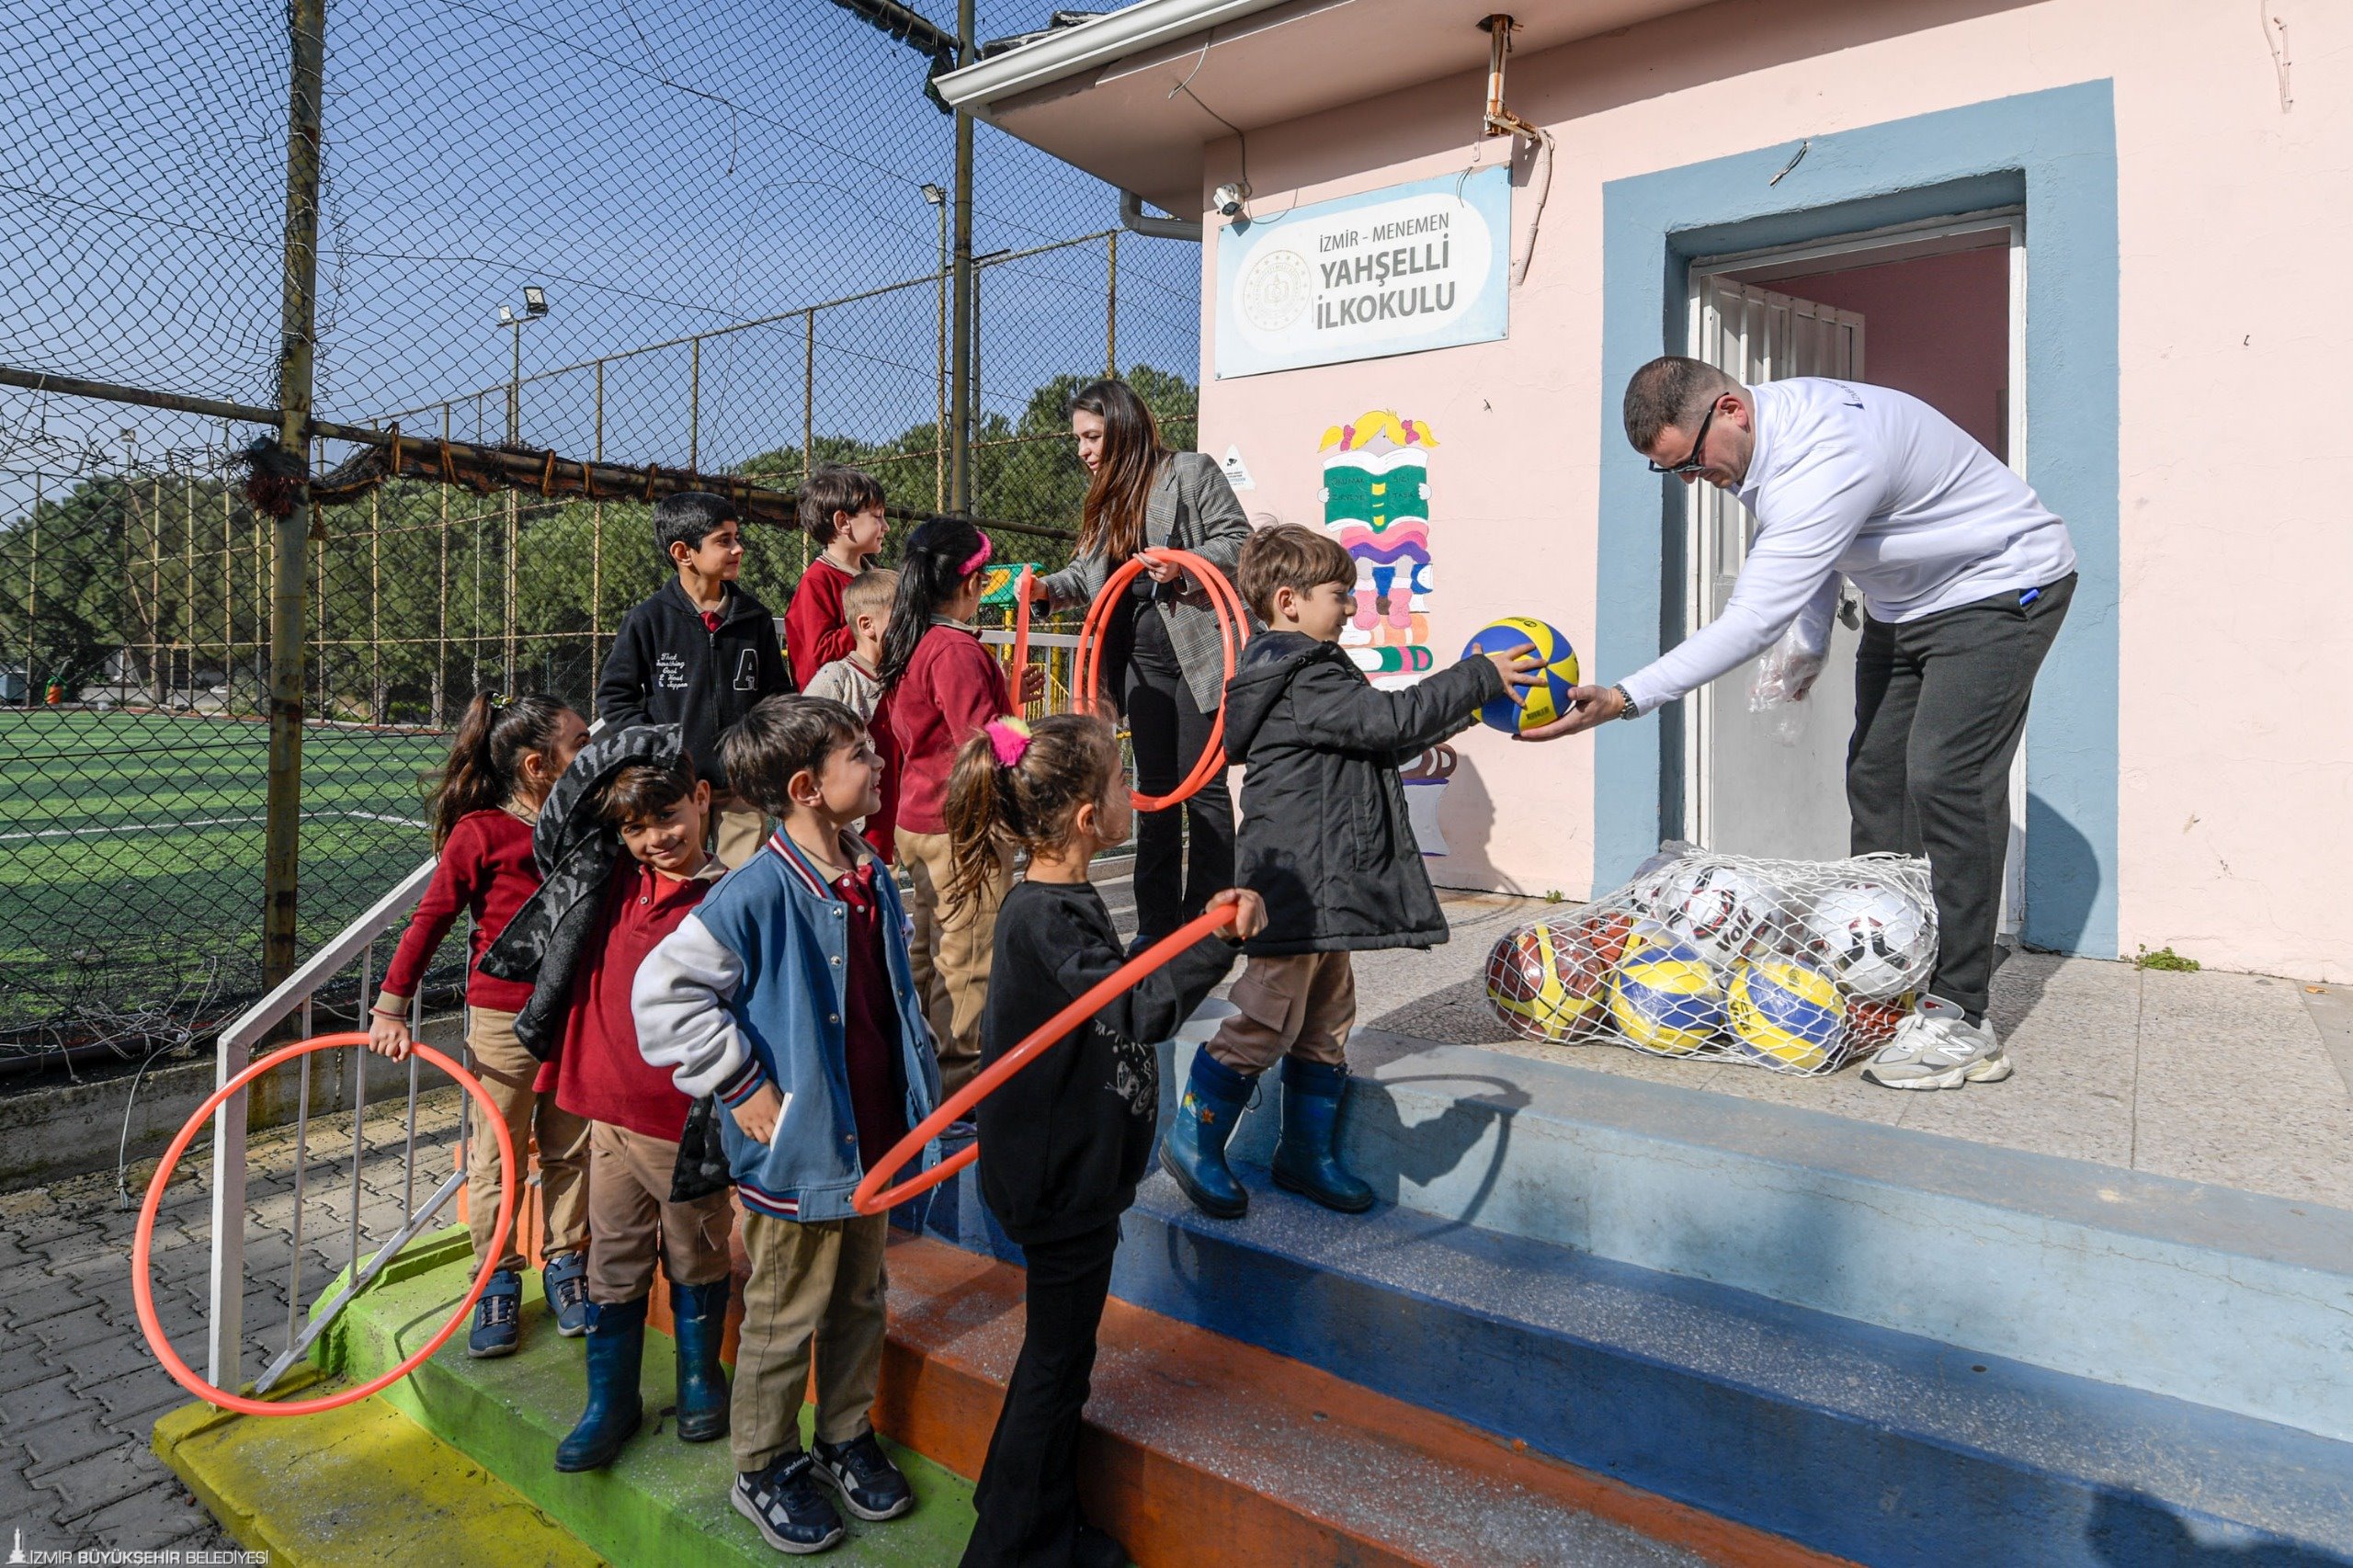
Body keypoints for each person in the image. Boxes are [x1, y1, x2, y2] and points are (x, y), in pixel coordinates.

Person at [1531, 357, 2077, 1091]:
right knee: (1878, 778)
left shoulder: (1827, 452)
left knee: (1947, 776)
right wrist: (1811, 643)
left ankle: (1960, 1016)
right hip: (1905, 604)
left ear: (1730, 409)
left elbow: (1755, 615)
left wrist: (1628, 697)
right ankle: (1891, 967)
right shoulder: (1763, 439)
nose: (1692, 480)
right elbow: (1814, 545)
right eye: (1672, 472)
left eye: (1690, 462)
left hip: (2002, 586)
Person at [942, 710, 1264, 1568]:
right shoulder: (1043, 916)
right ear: (1090, 818)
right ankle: (1011, 1548)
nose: (1133, 792)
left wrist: (1196, 930)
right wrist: (1218, 941)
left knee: (1060, 1361)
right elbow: (1138, 1008)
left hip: (1072, 1173)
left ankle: (1033, 1519)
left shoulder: (1059, 901)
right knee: (1057, 1367)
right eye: (1123, 783)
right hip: (1059, 1185)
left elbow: (1116, 998)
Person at [634, 695, 942, 1556]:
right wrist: (741, 1085)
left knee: (860, 1296)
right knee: (782, 1313)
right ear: (807, 788)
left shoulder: (868, 871)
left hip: (872, 1143)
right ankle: (763, 1463)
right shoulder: (755, 892)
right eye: (859, 754)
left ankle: (843, 1434)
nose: (877, 762)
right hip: (797, 1156)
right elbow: (663, 996)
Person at [1159, 526, 1533, 1219]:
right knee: (1266, 1019)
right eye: (1340, 594)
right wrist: (1477, 677)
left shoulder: (1307, 674)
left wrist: (1474, 705)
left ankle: (1305, 1154)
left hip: (1324, 882)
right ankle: (1193, 1140)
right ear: (1289, 601)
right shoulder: (1302, 673)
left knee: (1327, 1019)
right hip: (1293, 887)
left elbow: (1382, 735)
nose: (1353, 608)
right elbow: (1390, 720)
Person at [365, 692, 592, 1357]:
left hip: (576, 1013)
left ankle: (566, 1261)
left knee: (572, 1146)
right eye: (580, 743)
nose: (592, 751)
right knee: (498, 1152)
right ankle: (496, 1274)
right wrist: (391, 1006)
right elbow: (431, 918)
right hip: (505, 1018)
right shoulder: (482, 832)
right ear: (537, 765)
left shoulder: (586, 822)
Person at [546, 753, 732, 1473]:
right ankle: (610, 1402)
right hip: (610, 1122)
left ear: (703, 798)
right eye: (634, 827)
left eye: (668, 816)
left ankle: (699, 1382)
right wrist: (630, 745)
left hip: (688, 1128)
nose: (656, 838)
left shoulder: (731, 897)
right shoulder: (613, 881)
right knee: (613, 1261)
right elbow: (560, 821)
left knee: (697, 1254)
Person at [1030, 379, 1251, 946]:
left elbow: (1240, 542)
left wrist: (1184, 563)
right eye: (1079, 439)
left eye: (1093, 436)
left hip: (1200, 654)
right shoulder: (1106, 496)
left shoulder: (1190, 472)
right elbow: (1088, 576)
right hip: (1141, 658)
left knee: (1202, 786)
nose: (1083, 450)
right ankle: (1155, 927)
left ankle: (1209, 923)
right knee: (1152, 791)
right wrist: (1046, 590)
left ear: (1123, 426)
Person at [882, 517, 1044, 1097]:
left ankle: (918, 1071)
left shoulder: (914, 640)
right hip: (963, 827)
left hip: (920, 818)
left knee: (928, 950)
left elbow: (945, 724)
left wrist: (1004, 697)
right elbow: (985, 745)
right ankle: (959, 1087)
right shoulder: (956, 649)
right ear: (973, 583)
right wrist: (1030, 740)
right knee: (970, 958)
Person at [596, 490, 792, 869]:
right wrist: (659, 750)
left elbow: (775, 693)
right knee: (682, 876)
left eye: (737, 538)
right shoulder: (647, 620)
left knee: (742, 877)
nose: (738, 549)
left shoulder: (754, 617)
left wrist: (762, 748)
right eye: (724, 540)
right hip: (677, 787)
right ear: (683, 553)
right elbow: (616, 695)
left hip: (742, 783)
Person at [804, 566, 902, 863]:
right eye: (902, 620)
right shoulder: (837, 678)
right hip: (851, 834)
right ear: (867, 625)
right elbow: (799, 739)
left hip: (894, 826)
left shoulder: (904, 678)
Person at [786, 464, 891, 691]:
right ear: (843, 522)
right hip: (834, 703)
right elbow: (820, 656)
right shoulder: (817, 581)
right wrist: (878, 617)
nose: (886, 527)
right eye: (877, 516)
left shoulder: (876, 575)